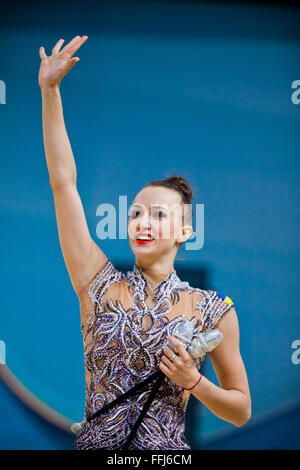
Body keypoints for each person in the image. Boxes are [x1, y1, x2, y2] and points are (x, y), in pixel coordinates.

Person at [38, 36, 251, 450]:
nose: (142, 222)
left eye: (158, 215)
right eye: (135, 213)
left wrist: (194, 382)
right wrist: (50, 92)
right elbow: (63, 183)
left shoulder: (214, 311)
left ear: (184, 231)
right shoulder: (96, 284)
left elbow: (240, 410)